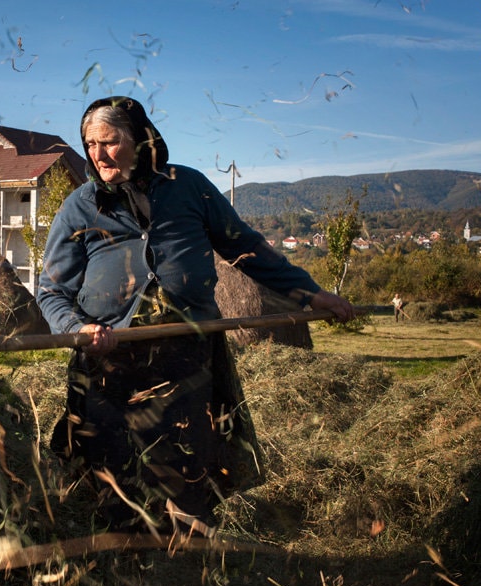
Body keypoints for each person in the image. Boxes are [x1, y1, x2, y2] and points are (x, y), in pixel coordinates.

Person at [36, 96, 356, 537]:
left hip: (184, 350)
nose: (98, 154)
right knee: (112, 460)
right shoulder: (80, 206)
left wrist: (309, 294)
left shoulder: (189, 188)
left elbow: (248, 249)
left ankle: (190, 549)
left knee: (187, 456)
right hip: (111, 356)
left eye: (109, 142)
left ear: (141, 141)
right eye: (90, 143)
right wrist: (76, 329)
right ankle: (124, 548)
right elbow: (53, 290)